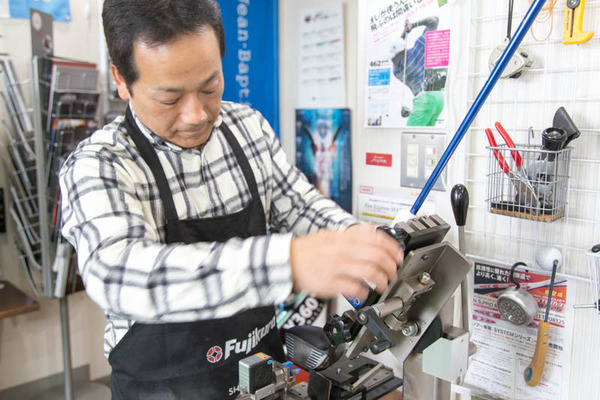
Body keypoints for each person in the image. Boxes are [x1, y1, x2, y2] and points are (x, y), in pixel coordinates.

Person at [58, 1, 404, 398]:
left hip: (266, 379)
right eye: (170, 98)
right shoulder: (100, 164)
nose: (196, 115)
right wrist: (288, 262)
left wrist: (360, 245)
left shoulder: (247, 127)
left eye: (209, 87)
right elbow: (122, 277)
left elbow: (299, 205)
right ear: (121, 80)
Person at [390, 16, 446, 127]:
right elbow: (434, 20)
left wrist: (404, 33)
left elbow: (399, 47)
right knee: (427, 137)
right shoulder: (419, 47)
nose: (393, 61)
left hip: (424, 100)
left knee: (411, 135)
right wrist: (413, 25)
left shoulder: (398, 72)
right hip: (438, 97)